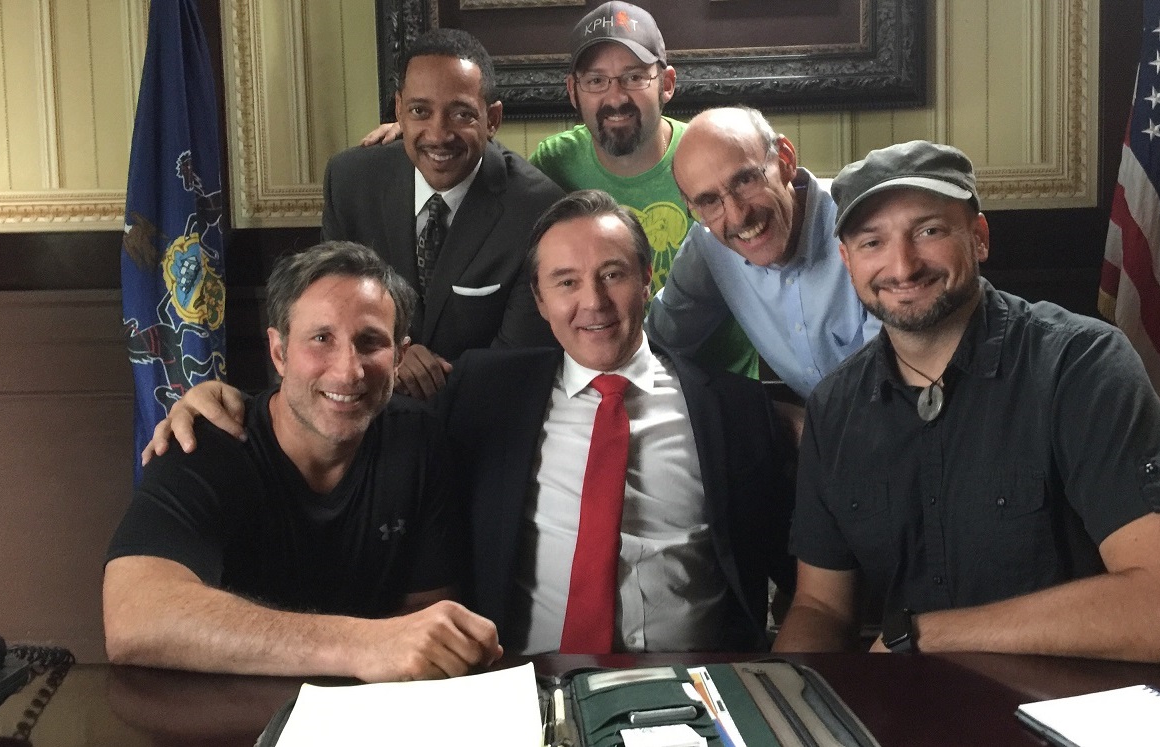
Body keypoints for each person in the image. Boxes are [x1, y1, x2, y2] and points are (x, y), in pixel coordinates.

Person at [148, 191, 795, 654]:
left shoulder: (736, 411)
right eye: (566, 282)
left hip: (691, 687)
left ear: (647, 278)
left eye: (613, 274)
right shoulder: (484, 390)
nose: (593, 302)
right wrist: (213, 398)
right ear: (539, 298)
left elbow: (806, 588)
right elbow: (345, 394)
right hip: (516, 685)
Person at [773, 140, 1160, 664]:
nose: (903, 265)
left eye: (929, 231)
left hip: (1074, 704)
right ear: (847, 261)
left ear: (979, 238)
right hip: (904, 706)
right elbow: (821, 608)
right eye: (873, 242)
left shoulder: (1081, 365)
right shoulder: (834, 407)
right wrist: (774, 698)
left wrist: (925, 635)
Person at [104, 241, 502, 681]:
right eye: (321, 339)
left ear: (399, 358)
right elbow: (133, 617)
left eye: (370, 342)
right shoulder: (205, 444)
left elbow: (427, 622)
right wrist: (361, 645)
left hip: (371, 708)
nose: (348, 371)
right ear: (279, 352)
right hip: (228, 708)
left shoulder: (419, 443)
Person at [363, 3, 761, 379]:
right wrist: (414, 134)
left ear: (667, 83)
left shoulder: (707, 158)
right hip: (593, 388)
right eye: (596, 80)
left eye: (634, 77)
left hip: (715, 388)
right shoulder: (554, 165)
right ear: (573, 91)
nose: (616, 97)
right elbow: (491, 172)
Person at [322, 28, 565, 400]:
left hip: (483, 411)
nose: (438, 134)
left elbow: (517, 359)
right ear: (399, 110)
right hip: (365, 406)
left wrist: (424, 378)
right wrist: (391, 358)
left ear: (492, 118)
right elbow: (329, 309)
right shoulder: (351, 181)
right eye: (420, 111)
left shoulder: (536, 208)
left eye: (461, 114)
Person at [646, 106, 880, 403]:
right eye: (709, 201)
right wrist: (760, 411)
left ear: (785, 160)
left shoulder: (865, 225)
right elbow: (656, 347)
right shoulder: (708, 246)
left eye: (745, 181)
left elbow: (894, 379)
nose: (737, 216)